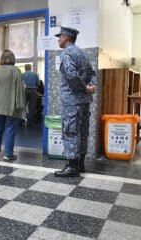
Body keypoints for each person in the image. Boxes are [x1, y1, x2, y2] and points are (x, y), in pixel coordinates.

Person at [53, 26, 96, 177]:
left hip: (72, 101)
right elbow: (92, 73)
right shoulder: (82, 53)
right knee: (82, 132)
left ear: (65, 37)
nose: (58, 39)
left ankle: (72, 167)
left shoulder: (67, 53)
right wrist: (91, 85)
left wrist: (84, 87)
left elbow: (71, 75)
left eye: (60, 37)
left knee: (70, 131)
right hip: (85, 102)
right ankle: (80, 164)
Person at [0, 50, 26, 161]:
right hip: (11, 106)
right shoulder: (16, 71)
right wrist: (20, 105)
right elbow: (20, 89)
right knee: (10, 129)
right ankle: (8, 154)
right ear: (13, 59)